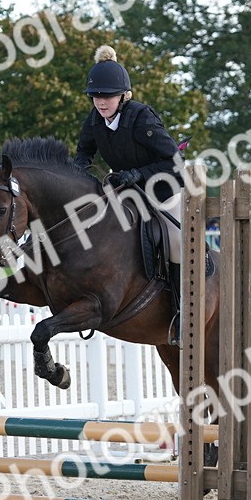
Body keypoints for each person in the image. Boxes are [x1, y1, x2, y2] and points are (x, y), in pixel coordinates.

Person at [75, 46, 186, 337]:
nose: (101, 102)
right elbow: (84, 151)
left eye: (107, 96)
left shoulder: (141, 118)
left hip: (164, 191)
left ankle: (182, 312)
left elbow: (175, 160)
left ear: (124, 96)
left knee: (174, 241)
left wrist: (140, 173)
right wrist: (77, 170)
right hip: (128, 191)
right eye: (96, 96)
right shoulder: (95, 119)